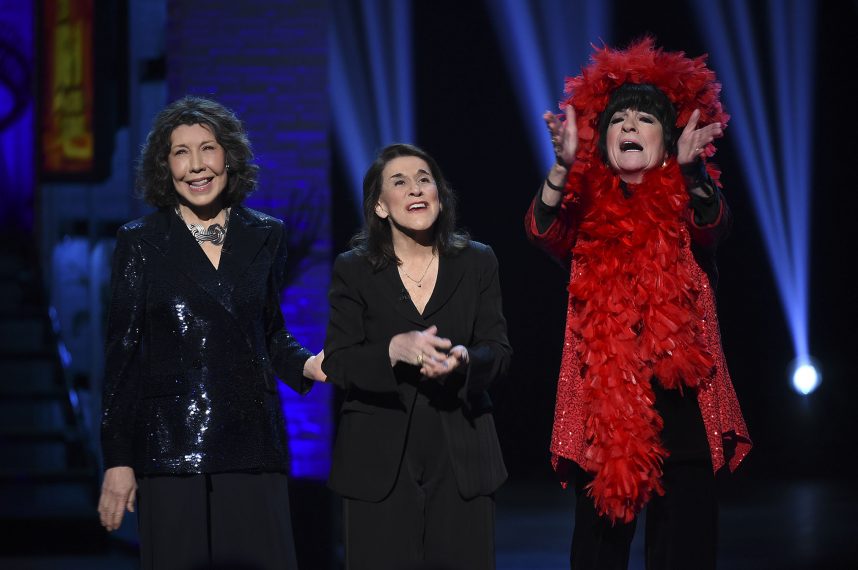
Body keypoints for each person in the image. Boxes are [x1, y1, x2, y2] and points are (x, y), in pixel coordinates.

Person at [525, 38, 752, 569]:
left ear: (668, 140)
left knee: (685, 552)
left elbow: (714, 224)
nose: (628, 125)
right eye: (617, 119)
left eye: (644, 119)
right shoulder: (584, 218)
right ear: (600, 141)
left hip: (684, 413)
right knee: (596, 555)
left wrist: (693, 173)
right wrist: (561, 170)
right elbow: (541, 230)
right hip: (606, 421)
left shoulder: (686, 207)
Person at [96, 95, 326, 570]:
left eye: (208, 148)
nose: (196, 166)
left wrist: (306, 363)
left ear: (229, 157)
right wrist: (118, 459)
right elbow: (123, 356)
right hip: (169, 448)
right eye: (181, 152)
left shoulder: (267, 234)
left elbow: (268, 332)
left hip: (252, 441)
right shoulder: (139, 241)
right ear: (166, 165)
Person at [323, 143, 511, 569]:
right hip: (377, 461)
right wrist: (392, 350)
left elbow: (498, 351)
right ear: (381, 207)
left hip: (462, 452)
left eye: (425, 179)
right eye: (400, 182)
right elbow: (337, 360)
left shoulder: (477, 262)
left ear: (440, 197)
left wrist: (464, 359)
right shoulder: (354, 269)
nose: (416, 189)